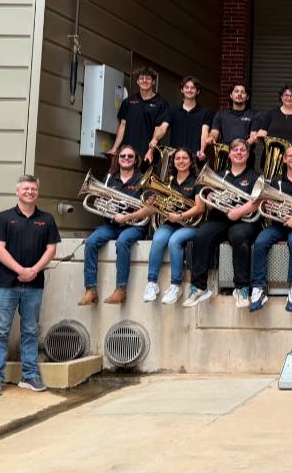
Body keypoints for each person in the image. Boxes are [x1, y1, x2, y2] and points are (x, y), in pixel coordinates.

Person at [0, 175, 61, 396]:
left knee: (30, 331)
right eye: (25, 188)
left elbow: (51, 250)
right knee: (0, 331)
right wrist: (21, 271)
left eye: (33, 189)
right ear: (17, 192)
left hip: (35, 285)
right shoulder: (4, 218)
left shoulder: (46, 219)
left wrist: (34, 271)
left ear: (37, 192)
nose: (29, 192)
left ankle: (30, 376)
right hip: (6, 285)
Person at [182, 139, 263, 308]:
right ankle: (198, 286)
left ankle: (241, 288)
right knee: (201, 235)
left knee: (239, 237)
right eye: (235, 150)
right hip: (220, 218)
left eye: (242, 150)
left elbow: (256, 201)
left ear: (248, 154)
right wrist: (211, 200)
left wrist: (238, 212)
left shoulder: (255, 176)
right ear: (230, 154)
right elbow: (208, 202)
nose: (239, 153)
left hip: (244, 220)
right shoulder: (220, 175)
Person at [249, 145, 292, 313]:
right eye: (290, 156)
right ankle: (258, 287)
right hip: (278, 226)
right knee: (260, 242)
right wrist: (270, 207)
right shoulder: (275, 181)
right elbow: (265, 205)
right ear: (284, 159)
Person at [79, 145, 148, 306]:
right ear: (118, 159)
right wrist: (99, 203)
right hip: (111, 226)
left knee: (122, 242)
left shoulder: (142, 179)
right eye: (122, 156)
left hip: (134, 226)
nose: (126, 158)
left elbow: (150, 209)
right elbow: (101, 201)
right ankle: (90, 290)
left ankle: (120, 290)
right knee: (90, 242)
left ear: (135, 160)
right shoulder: (109, 179)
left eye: (130, 156)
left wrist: (128, 216)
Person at [142, 148, 207, 305]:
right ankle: (152, 283)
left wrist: (181, 216)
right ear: (173, 162)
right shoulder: (168, 182)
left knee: (174, 241)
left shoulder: (196, 182)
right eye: (178, 158)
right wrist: (151, 204)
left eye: (185, 158)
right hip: (170, 224)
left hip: (191, 225)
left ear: (191, 162)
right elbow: (158, 207)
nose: (181, 161)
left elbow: (200, 208)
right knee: (157, 239)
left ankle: (175, 285)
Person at [108, 67, 169, 165]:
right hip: (127, 154)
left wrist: (151, 151)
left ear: (153, 82)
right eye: (141, 78)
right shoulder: (128, 102)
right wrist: (114, 149)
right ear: (137, 81)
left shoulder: (161, 104)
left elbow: (159, 129)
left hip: (146, 156)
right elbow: (123, 125)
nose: (144, 81)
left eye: (148, 78)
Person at [146, 76, 213, 164]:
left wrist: (202, 150)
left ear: (198, 91)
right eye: (186, 87)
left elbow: (204, 133)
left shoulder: (205, 112)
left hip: (195, 158)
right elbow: (163, 128)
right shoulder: (172, 111)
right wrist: (155, 139)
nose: (189, 90)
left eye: (193, 88)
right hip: (176, 158)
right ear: (182, 90)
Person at [255, 84, 292, 177]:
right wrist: (259, 136)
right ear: (281, 97)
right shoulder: (271, 113)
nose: (289, 98)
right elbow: (262, 133)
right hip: (273, 160)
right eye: (286, 95)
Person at [209, 83, 260, 167]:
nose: (239, 94)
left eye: (243, 92)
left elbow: (253, 137)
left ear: (247, 97)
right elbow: (214, 132)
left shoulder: (254, 115)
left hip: (245, 155)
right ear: (231, 95)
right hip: (224, 155)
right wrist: (211, 137)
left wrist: (239, 148)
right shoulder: (221, 113)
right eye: (236, 91)